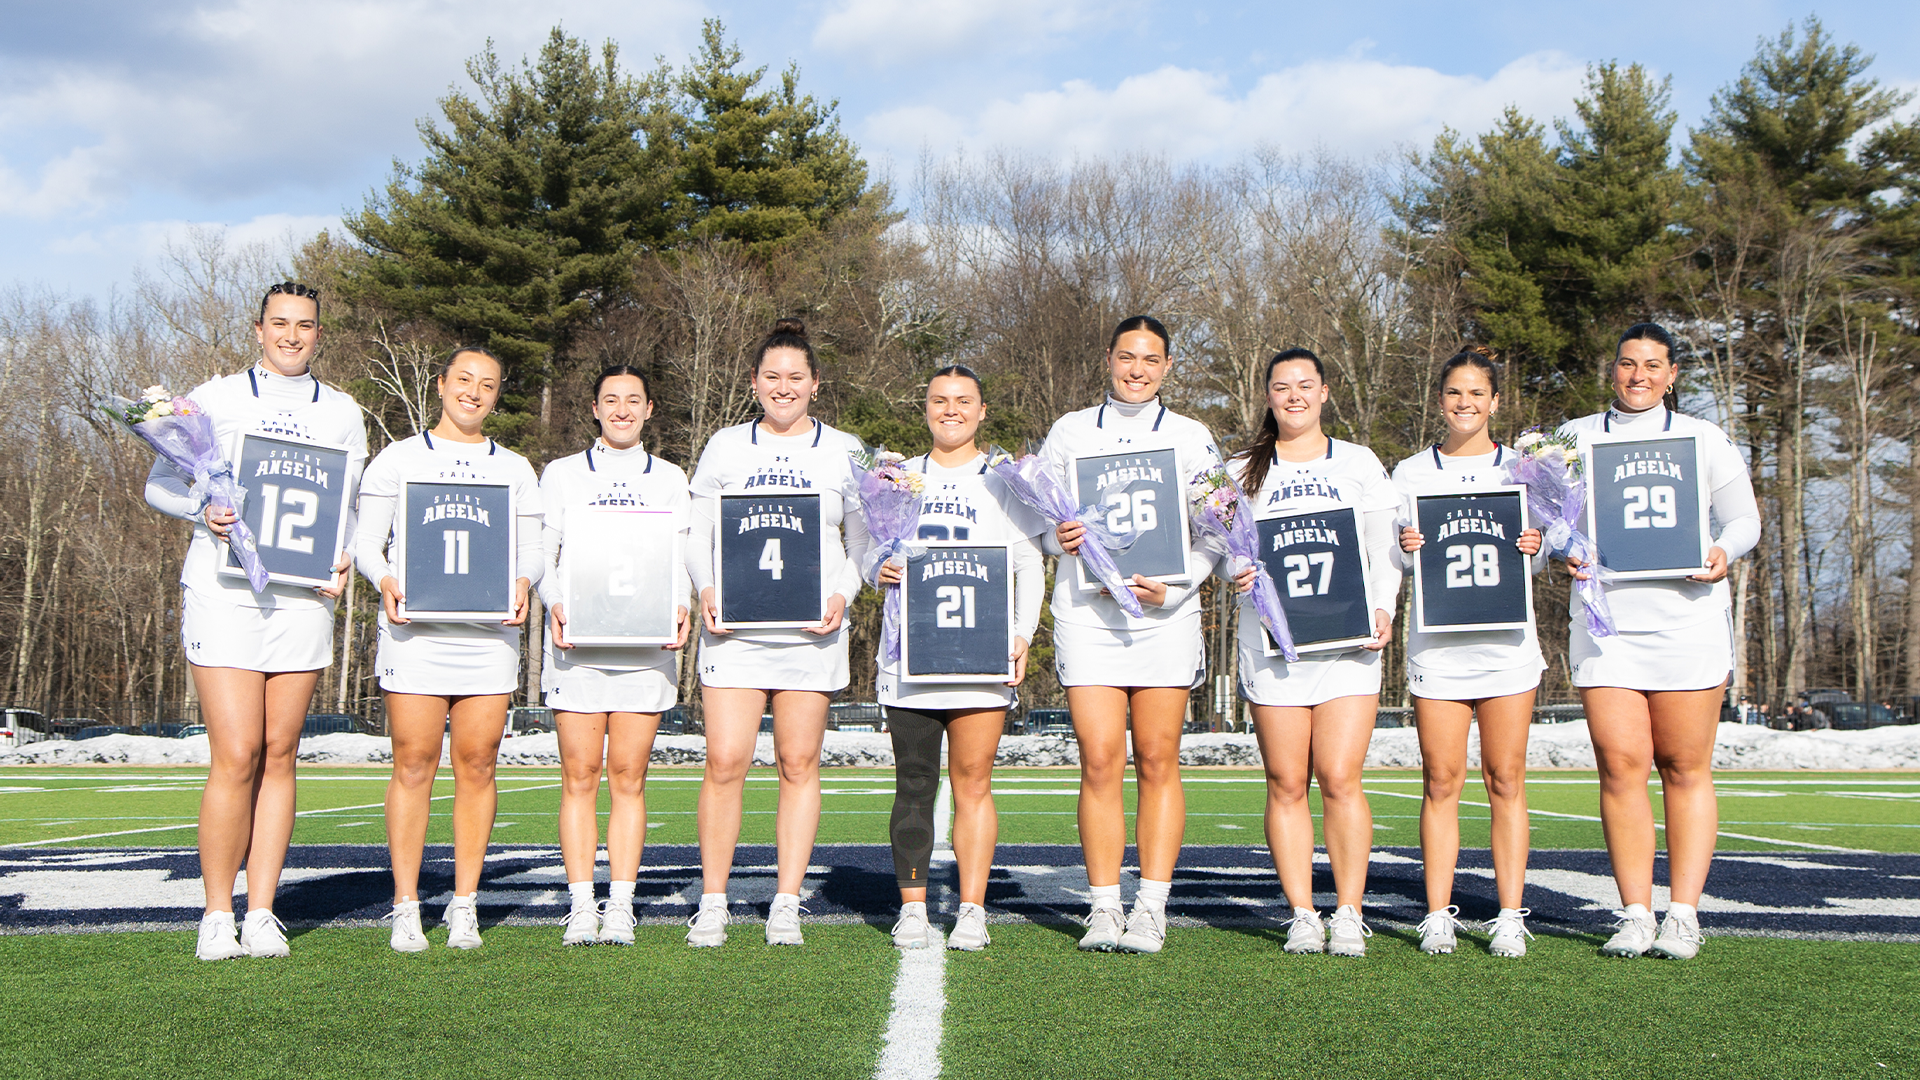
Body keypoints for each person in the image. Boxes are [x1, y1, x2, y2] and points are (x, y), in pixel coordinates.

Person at [144, 282, 368, 960]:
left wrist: (346, 558)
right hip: (225, 592)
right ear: (258, 329)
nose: (292, 335)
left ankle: (264, 910)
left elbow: (350, 507)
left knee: (280, 754)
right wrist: (200, 513)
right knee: (236, 753)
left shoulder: (344, 412)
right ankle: (218, 911)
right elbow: (160, 484)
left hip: (300, 600)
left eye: (305, 325)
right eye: (280, 323)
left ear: (319, 334)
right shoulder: (214, 398)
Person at [1561, 322, 1760, 960]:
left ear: (1673, 374)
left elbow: (1745, 519)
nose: (1638, 375)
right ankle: (1635, 912)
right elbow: (1545, 523)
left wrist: (1722, 551)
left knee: (1683, 766)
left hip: (1687, 622)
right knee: (1621, 767)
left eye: (1652, 364)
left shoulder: (1703, 438)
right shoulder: (1577, 439)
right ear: (1611, 370)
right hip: (1607, 626)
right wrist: (1565, 550)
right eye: (1626, 363)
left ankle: (1683, 913)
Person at [684, 318, 872, 947]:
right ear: (755, 383)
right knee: (725, 761)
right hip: (736, 629)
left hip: (808, 632)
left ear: (815, 384)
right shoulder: (725, 446)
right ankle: (713, 901)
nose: (783, 387)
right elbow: (697, 534)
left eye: (796, 377)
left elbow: (865, 542)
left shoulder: (845, 448)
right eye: (772, 377)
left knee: (798, 762)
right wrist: (707, 588)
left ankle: (786, 901)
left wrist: (843, 592)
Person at [352, 347, 543, 952]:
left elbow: (533, 552)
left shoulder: (513, 467)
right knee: (413, 764)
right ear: (441, 384)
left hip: (486, 639)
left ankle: (465, 904)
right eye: (464, 380)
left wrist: (523, 582)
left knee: (478, 764)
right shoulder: (400, 459)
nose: (474, 392)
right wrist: (384, 578)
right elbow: (365, 544)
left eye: (488, 384)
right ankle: (406, 904)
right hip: (417, 635)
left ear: (497, 394)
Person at [1043, 316, 1223, 954]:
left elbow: (1215, 531)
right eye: (1126, 357)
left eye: (1150, 359)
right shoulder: (1069, 432)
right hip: (1090, 616)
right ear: (1108, 360)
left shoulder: (1191, 436)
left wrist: (1177, 588)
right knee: (1099, 758)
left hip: (1163, 618)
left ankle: (1151, 903)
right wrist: (1055, 539)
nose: (1137, 369)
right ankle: (1102, 905)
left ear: (1168, 366)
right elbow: (1042, 524)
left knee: (1157, 757)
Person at [870, 366, 1047, 951]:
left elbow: (1028, 564)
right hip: (910, 655)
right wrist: (879, 570)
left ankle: (972, 908)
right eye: (939, 401)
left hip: (979, 652)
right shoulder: (898, 478)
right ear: (924, 409)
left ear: (982, 409)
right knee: (915, 781)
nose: (951, 410)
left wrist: (1021, 634)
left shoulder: (1003, 480)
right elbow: (869, 551)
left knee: (973, 782)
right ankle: (914, 908)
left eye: (963, 400)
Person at [1230, 348, 1399, 958]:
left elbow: (1385, 551)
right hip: (1273, 645)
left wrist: (1384, 606)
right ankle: (1302, 912)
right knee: (1284, 781)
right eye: (1282, 386)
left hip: (1347, 644)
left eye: (1305, 385)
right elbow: (1224, 550)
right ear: (1268, 396)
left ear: (1325, 392)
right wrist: (1237, 572)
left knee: (1340, 776)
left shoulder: (1358, 462)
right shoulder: (1240, 469)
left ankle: (1349, 910)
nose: (1294, 395)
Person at [1389, 346, 1544, 957]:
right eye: (1455, 392)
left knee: (1506, 779)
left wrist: (1539, 543)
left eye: (1477, 393)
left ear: (1495, 401)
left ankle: (1509, 913)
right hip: (1440, 647)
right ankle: (1438, 913)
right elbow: (1394, 562)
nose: (1465, 403)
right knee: (1441, 780)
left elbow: (1557, 541)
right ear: (1439, 400)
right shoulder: (1409, 473)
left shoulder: (1526, 469)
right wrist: (1405, 546)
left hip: (1508, 646)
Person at [538, 365, 691, 946]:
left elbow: (679, 561)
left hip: (643, 647)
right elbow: (543, 557)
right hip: (579, 647)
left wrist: (678, 605)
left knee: (629, 776)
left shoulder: (672, 478)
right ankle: (581, 903)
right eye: (610, 399)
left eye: (633, 400)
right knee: (579, 775)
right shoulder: (562, 474)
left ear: (650, 409)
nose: (622, 409)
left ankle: (621, 902)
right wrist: (554, 602)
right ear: (595, 409)